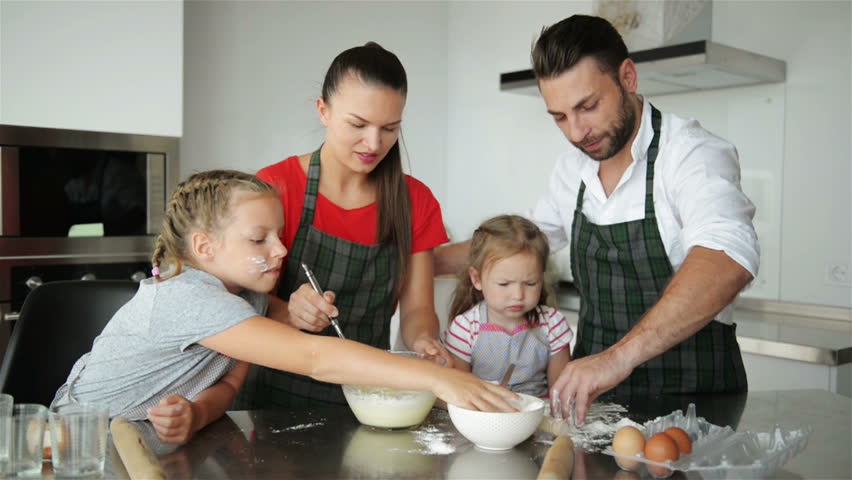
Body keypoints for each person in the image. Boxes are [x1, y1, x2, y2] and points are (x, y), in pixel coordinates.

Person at [435, 15, 759, 424]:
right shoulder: (573, 171)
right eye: (559, 117)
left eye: (587, 107)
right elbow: (515, 243)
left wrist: (617, 358)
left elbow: (727, 257)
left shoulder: (692, 154)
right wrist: (420, 262)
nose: (576, 132)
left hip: (696, 404)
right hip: (593, 405)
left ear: (627, 78)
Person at [52, 170, 514, 444]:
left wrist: (195, 414)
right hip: (78, 438)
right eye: (259, 239)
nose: (280, 250)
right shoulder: (189, 298)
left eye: (279, 235)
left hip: (139, 437)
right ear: (204, 247)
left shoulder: (246, 297)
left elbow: (228, 386)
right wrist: (438, 378)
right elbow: (315, 357)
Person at [240, 42, 453, 409]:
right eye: (358, 124)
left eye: (390, 128)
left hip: (368, 395)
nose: (374, 143)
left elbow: (417, 309)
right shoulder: (277, 187)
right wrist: (289, 311)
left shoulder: (415, 202)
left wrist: (423, 341)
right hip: (271, 395)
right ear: (323, 110)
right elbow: (238, 302)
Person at [444, 215, 572, 398]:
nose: (518, 295)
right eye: (504, 284)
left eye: (530, 283)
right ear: (477, 279)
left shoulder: (553, 324)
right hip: (484, 413)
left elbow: (561, 394)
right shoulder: (464, 329)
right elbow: (459, 393)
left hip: (540, 414)